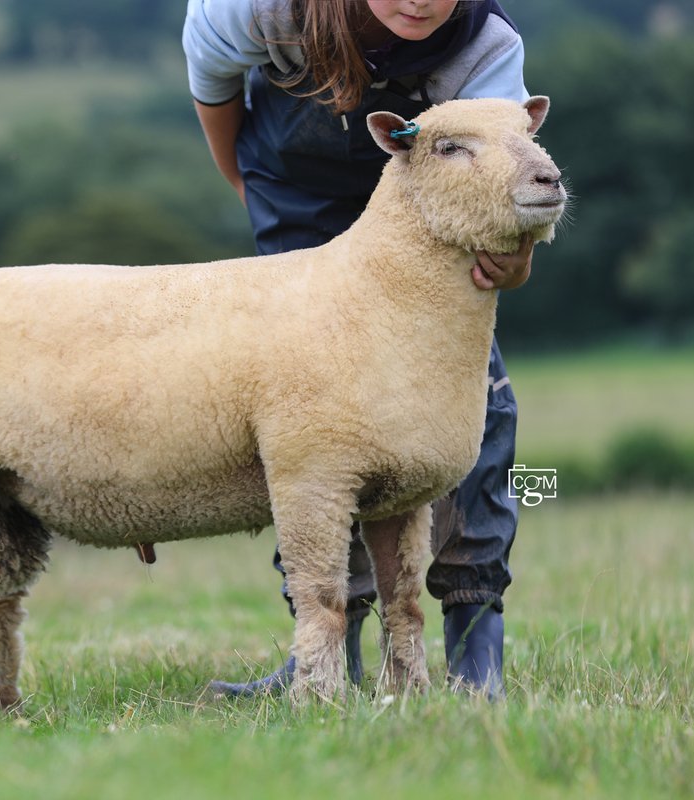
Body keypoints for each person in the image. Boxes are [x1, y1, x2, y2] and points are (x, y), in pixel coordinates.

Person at [182, 0, 533, 699]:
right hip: (299, 195)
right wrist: (249, 188)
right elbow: (213, 83)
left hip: (440, 205)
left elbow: (513, 176)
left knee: (469, 397)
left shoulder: (485, 47)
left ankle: (475, 650)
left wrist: (516, 259)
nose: (423, 1)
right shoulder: (252, 8)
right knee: (309, 418)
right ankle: (324, 650)